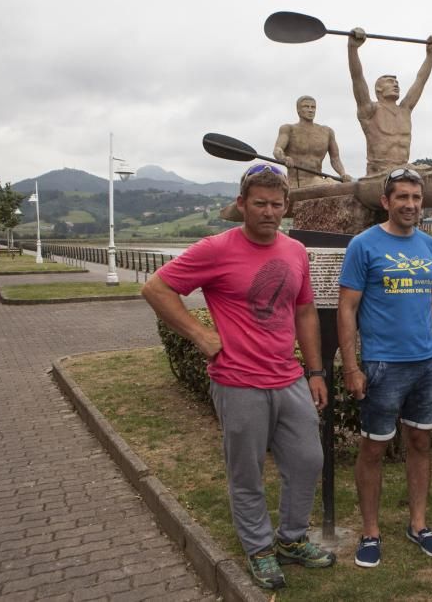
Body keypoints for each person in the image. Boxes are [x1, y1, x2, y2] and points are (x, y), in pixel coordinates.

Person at [141, 163, 334, 590]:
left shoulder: (294, 250)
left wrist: (316, 371)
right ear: (242, 204)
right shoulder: (216, 248)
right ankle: (260, 550)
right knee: (245, 471)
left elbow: (304, 311)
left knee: (307, 460)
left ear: (286, 208)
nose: (269, 211)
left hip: (287, 377)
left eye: (276, 205)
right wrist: (199, 334)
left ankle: (292, 539)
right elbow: (156, 287)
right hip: (237, 380)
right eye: (260, 203)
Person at [337, 167, 432, 568]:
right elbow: (347, 308)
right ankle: (370, 532)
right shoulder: (364, 245)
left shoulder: (428, 245)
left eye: (416, 198)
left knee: (421, 443)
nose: (410, 204)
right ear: (386, 202)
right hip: (382, 366)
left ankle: (418, 524)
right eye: (402, 197)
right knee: (373, 448)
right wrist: (351, 366)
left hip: (425, 365)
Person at [348, 27, 432, 176]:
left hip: (404, 170)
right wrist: (352, 48)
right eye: (390, 82)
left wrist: (431, 54)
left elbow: (421, 80)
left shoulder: (405, 110)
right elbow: (357, 77)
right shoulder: (369, 110)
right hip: (379, 172)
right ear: (378, 89)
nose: (395, 84)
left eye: (396, 82)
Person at [273, 95, 354, 188]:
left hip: (319, 179)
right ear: (298, 110)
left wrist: (343, 174)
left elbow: (335, 158)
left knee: (347, 187)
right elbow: (277, 150)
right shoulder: (288, 129)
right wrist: (284, 158)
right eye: (306, 107)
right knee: (330, 186)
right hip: (298, 182)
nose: (310, 110)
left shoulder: (327, 132)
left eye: (313, 107)